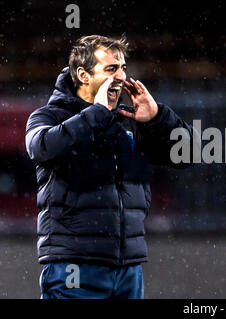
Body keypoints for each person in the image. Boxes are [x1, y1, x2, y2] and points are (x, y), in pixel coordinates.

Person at [25, 35, 193, 299]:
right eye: (112, 69)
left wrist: (158, 118)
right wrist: (97, 113)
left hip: (127, 267)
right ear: (83, 75)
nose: (121, 77)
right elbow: (42, 148)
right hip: (74, 265)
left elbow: (188, 155)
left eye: (123, 68)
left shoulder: (128, 120)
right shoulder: (50, 116)